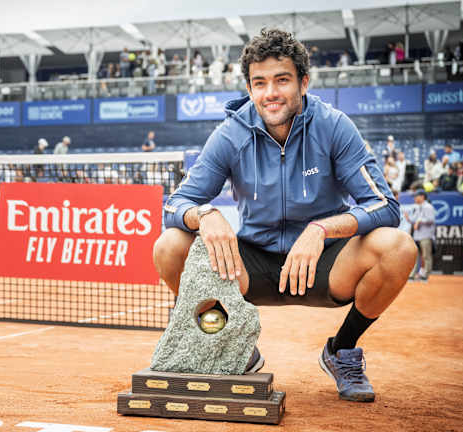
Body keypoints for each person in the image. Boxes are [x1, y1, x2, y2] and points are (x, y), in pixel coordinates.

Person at [154, 28, 416, 403]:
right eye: (259, 83)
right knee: (170, 245)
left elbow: (385, 206)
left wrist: (322, 229)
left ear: (303, 82)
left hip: (323, 263)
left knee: (399, 247)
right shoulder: (230, 134)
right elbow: (175, 205)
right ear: (249, 88)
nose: (271, 93)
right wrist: (205, 213)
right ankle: (234, 345)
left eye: (282, 80)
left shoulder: (334, 126)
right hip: (251, 266)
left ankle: (342, 350)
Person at [408, 191, 436, 281]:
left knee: (426, 256)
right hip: (417, 236)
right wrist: (409, 219)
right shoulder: (418, 207)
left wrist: (419, 221)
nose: (415, 199)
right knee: (415, 257)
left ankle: (425, 276)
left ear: (422, 197)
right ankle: (412, 275)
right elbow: (414, 220)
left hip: (426, 235)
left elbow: (431, 220)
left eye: (416, 196)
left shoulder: (428, 207)